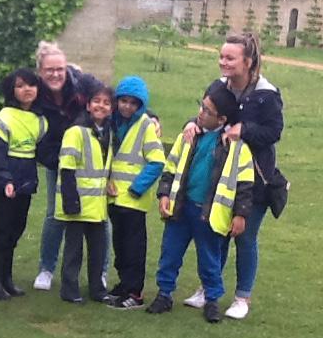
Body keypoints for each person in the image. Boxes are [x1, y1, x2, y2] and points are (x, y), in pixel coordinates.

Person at [182, 33, 284, 320]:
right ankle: (209, 288)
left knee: (245, 236)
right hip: (219, 176)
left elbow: (274, 131)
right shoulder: (218, 87)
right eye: (221, 56)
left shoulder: (266, 94)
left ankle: (242, 297)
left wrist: (245, 130)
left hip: (255, 179)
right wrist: (191, 123)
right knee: (217, 232)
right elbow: (206, 114)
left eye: (230, 58)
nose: (223, 62)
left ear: (247, 62)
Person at [147, 82, 254, 323]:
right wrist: (164, 194)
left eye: (207, 110)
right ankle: (164, 294)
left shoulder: (237, 147)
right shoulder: (187, 136)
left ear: (222, 119)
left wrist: (241, 214)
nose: (201, 113)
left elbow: (245, 185)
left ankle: (212, 300)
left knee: (210, 260)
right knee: (170, 253)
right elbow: (170, 168)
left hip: (209, 214)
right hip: (180, 209)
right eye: (201, 106)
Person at [32, 41, 103, 291]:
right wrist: (59, 161)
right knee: (55, 213)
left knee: (99, 215)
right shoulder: (36, 94)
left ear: (67, 68)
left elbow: (109, 98)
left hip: (91, 159)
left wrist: (150, 115)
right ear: (40, 71)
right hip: (58, 160)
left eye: (60, 69)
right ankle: (46, 268)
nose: (55, 74)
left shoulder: (83, 83)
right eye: (50, 70)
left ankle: (101, 272)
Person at [0, 68, 47, 300]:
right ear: (12, 91)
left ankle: (7, 278)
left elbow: (43, 151)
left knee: (16, 230)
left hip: (26, 182)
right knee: (1, 231)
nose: (26, 90)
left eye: (31, 85)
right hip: (4, 182)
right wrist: (5, 180)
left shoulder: (40, 120)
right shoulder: (5, 117)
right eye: (20, 86)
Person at [106, 76, 165, 309]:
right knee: (119, 245)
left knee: (133, 247)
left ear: (141, 105)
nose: (127, 107)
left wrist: (137, 187)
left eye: (133, 103)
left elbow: (157, 161)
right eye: (123, 101)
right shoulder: (112, 122)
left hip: (133, 199)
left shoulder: (145, 125)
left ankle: (134, 292)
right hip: (114, 196)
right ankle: (124, 284)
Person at [56, 84, 116, 305]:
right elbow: (67, 167)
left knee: (98, 251)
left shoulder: (108, 132)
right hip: (77, 202)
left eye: (106, 102)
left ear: (111, 108)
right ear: (88, 105)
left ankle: (97, 290)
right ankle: (69, 289)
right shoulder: (76, 131)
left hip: (97, 205)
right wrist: (71, 201)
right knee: (74, 251)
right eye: (97, 101)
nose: (101, 106)